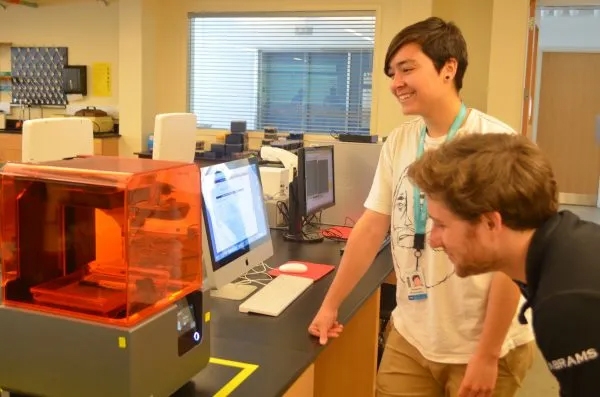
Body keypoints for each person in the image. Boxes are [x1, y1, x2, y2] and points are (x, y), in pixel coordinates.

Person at [307, 17, 535, 397]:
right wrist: (331, 304)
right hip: (412, 336)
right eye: (392, 72)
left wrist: (487, 354)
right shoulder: (399, 142)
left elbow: (511, 263)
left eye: (408, 69)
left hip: (480, 343)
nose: (396, 82)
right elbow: (371, 225)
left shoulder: (495, 143)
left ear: (449, 68)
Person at [406, 132, 600, 396]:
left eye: (441, 224)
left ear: (490, 223)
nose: (434, 240)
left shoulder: (566, 307)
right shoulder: (565, 241)